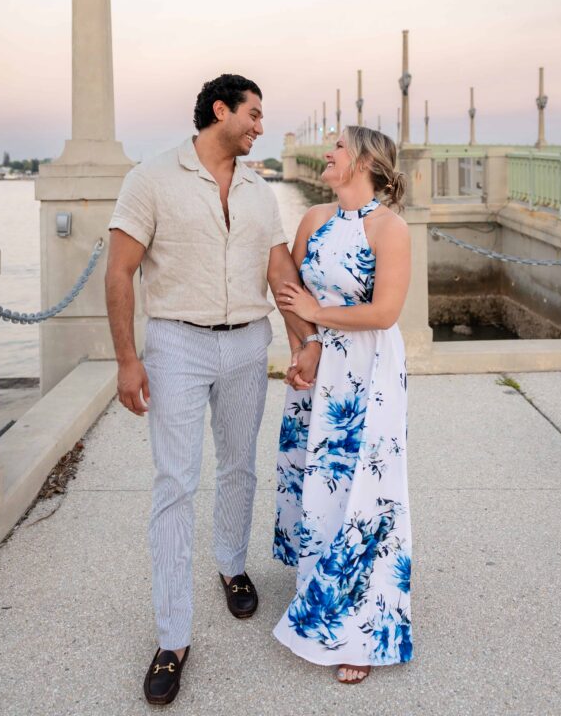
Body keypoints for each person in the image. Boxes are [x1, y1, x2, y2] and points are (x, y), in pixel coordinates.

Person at [105, 74, 321, 706]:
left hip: (247, 341)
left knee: (238, 467)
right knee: (175, 483)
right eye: (253, 115)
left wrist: (303, 342)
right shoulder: (151, 178)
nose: (260, 126)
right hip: (176, 343)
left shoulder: (258, 190)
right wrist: (127, 360)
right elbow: (119, 272)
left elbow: (279, 271)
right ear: (220, 111)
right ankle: (173, 639)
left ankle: (232, 565)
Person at [273, 125, 413, 684]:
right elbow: (287, 292)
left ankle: (362, 630)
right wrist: (304, 343)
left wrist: (318, 315)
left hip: (367, 369)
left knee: (364, 486)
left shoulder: (390, 228)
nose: (327, 153)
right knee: (317, 475)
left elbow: (384, 313)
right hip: (319, 364)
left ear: (364, 162)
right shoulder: (313, 219)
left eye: (337, 146)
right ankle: (318, 587)